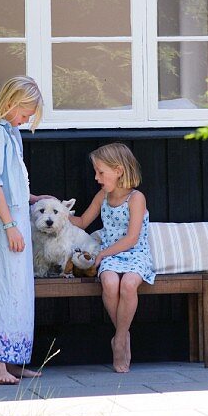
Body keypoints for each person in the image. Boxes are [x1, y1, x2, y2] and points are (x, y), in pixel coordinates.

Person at [0, 76, 46, 385]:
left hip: (14, 216)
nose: (26, 119)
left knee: (19, 289)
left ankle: (13, 359)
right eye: (26, 113)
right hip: (4, 221)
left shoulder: (10, 133)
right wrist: (10, 225)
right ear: (12, 102)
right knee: (3, 286)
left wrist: (31, 198)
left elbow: (10, 179)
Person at [70, 143, 155, 373]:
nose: (97, 177)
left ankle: (118, 341)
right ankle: (123, 336)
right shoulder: (103, 196)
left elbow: (132, 238)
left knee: (128, 284)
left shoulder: (136, 198)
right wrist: (55, 210)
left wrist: (101, 255)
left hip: (134, 253)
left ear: (118, 171)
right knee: (109, 282)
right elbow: (82, 222)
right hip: (110, 255)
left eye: (100, 172)